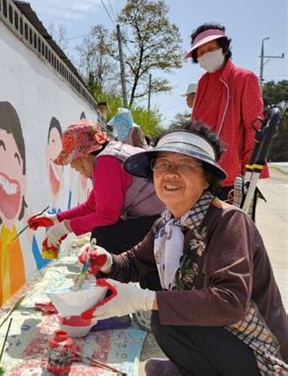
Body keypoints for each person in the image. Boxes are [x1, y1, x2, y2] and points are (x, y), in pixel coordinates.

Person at [78, 121, 287, 375]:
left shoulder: (228, 222)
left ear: (206, 179)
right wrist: (107, 260)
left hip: (258, 353)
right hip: (221, 334)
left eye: (185, 165)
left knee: (163, 317)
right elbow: (134, 262)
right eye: (163, 164)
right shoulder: (167, 223)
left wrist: (145, 300)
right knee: (167, 319)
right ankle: (192, 366)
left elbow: (231, 301)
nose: (171, 173)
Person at [28, 120, 164, 263]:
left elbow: (107, 215)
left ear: (85, 155)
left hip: (163, 222)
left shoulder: (107, 162)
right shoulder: (109, 155)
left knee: (103, 234)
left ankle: (107, 280)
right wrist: (55, 219)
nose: (72, 166)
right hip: (160, 219)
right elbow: (91, 206)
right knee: (105, 231)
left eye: (72, 160)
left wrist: (64, 228)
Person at [185, 23, 269, 202]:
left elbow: (254, 127)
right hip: (203, 173)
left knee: (231, 227)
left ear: (223, 48)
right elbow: (196, 126)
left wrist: (251, 170)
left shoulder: (244, 78)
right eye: (200, 53)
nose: (205, 55)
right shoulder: (203, 82)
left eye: (211, 48)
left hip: (233, 176)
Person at [0, 101, 28, 315]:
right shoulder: (2, 243)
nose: (10, 165)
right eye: (1, 148)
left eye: (16, 157)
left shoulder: (13, 239)